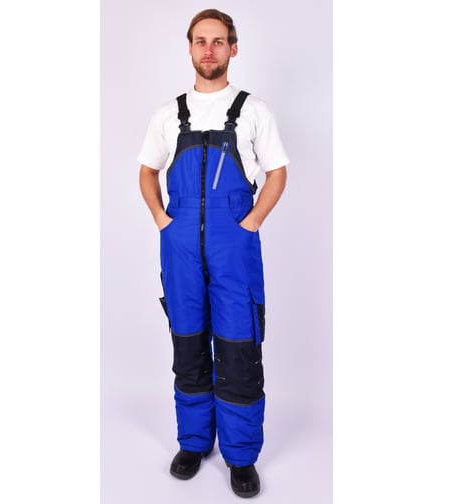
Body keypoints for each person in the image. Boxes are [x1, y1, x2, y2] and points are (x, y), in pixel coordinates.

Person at [138, 9, 288, 498]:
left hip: (234, 245)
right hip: (179, 244)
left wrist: (252, 222)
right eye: (200, 41)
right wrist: (162, 220)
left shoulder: (254, 111)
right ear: (189, 48)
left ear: (233, 48)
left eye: (218, 41)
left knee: (239, 346)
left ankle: (241, 456)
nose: (209, 49)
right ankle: (194, 442)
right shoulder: (168, 114)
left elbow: (277, 172)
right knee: (187, 342)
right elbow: (147, 171)